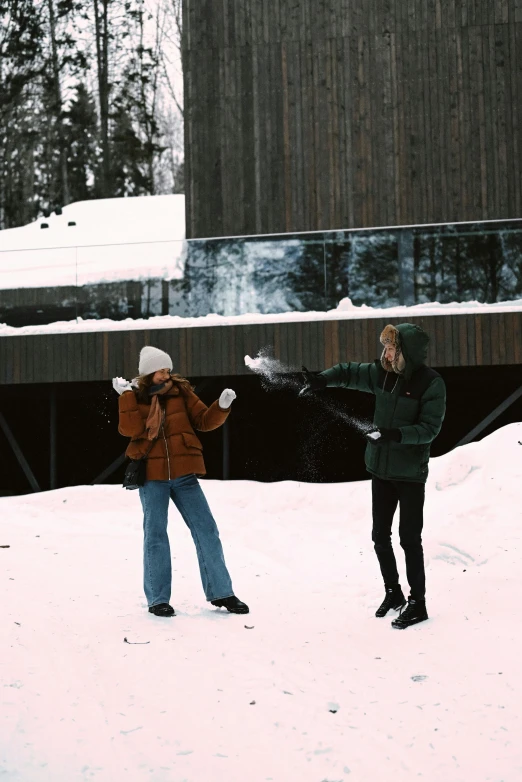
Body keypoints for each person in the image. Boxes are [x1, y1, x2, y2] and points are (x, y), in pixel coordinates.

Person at [300, 323, 446, 629]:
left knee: (409, 539)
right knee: (380, 535)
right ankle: (393, 593)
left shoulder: (430, 384)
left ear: (407, 352)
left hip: (409, 475)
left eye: (393, 348)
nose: (387, 354)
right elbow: (349, 372)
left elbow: (429, 430)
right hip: (380, 470)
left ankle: (418, 603)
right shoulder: (382, 374)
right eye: (386, 348)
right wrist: (321, 380)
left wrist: (393, 434)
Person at [112, 345, 249, 618]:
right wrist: (126, 396)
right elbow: (131, 430)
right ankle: (158, 599)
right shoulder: (135, 397)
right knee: (156, 536)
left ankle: (222, 593)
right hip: (152, 478)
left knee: (207, 530)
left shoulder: (180, 392)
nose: (166, 374)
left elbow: (203, 421)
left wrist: (221, 406)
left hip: (185, 475)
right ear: (149, 373)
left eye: (167, 369)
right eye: (161, 370)